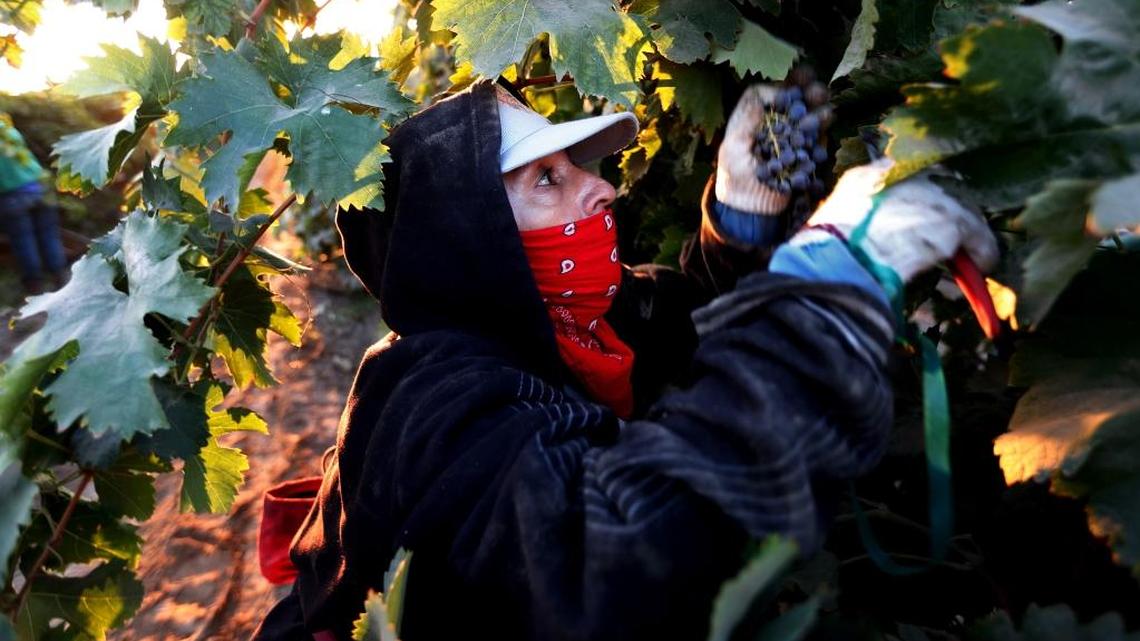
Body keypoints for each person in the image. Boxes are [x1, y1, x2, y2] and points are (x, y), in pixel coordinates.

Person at [252, 80, 997, 641]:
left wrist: (739, 228)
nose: (602, 188)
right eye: (549, 180)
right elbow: (613, 565)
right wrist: (832, 289)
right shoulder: (432, 404)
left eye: (579, 165)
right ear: (471, 242)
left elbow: (685, 334)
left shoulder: (574, 328)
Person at [0, 114, 67, 295]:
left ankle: (36, 287)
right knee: (49, 235)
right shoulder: (6, 129)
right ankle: (61, 278)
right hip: (39, 186)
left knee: (23, 241)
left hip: (11, 196)